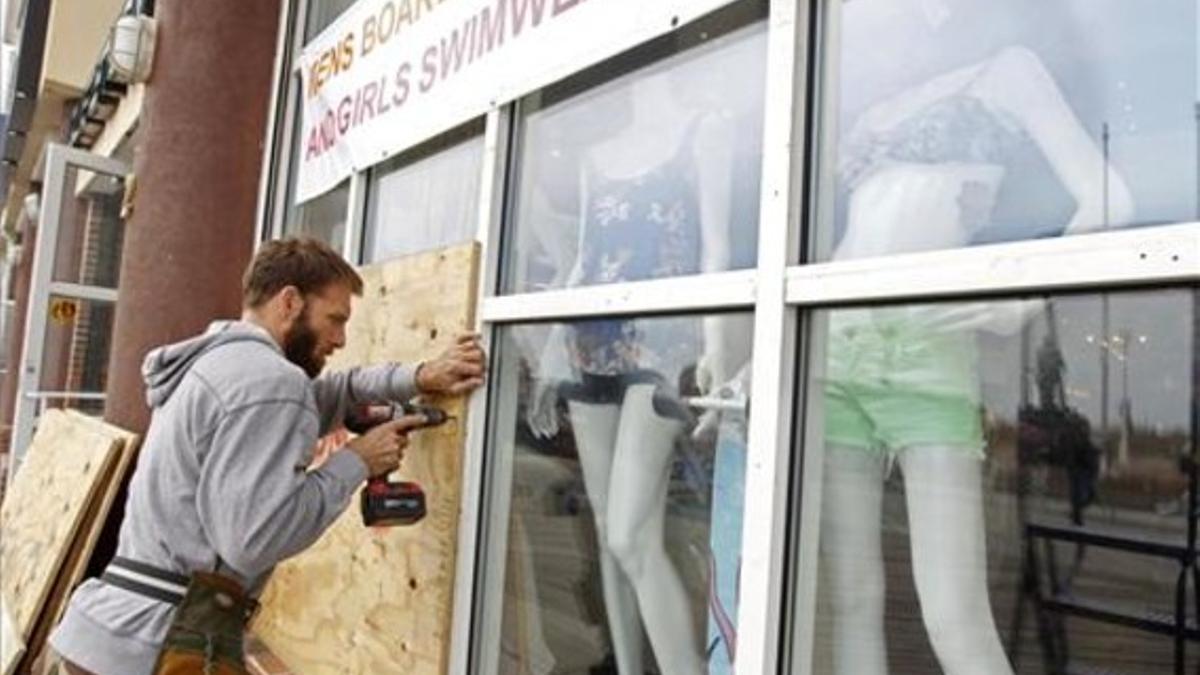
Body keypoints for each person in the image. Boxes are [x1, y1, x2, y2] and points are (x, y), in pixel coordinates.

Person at [42, 237, 486, 674]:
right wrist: (358, 461)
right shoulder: (270, 383)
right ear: (290, 302)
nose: (341, 338)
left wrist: (422, 376)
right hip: (156, 647)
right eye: (335, 319)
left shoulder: (222, 365)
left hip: (112, 632)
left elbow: (335, 391)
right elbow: (254, 540)